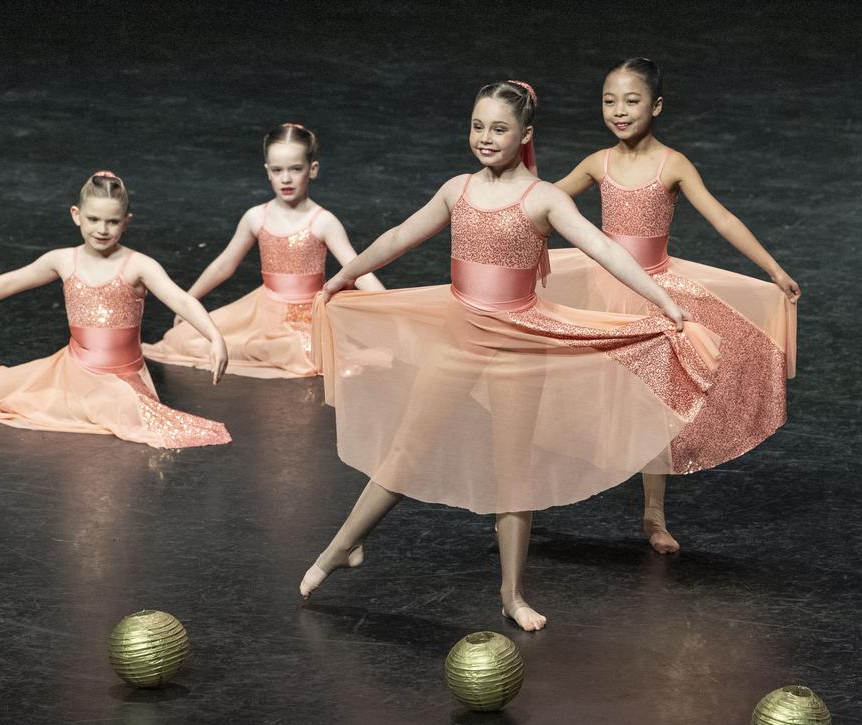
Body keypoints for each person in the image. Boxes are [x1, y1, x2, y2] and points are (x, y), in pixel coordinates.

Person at [300, 81, 721, 631]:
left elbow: (606, 249)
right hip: (457, 338)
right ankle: (341, 548)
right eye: (478, 126)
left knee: (512, 470)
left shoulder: (544, 198)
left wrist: (663, 299)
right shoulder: (458, 190)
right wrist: (342, 277)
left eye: (499, 128)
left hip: (520, 346)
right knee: (408, 448)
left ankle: (512, 593)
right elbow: (399, 235)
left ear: (525, 135)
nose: (485, 137)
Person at [547, 58, 798, 552]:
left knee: (653, 407)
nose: (619, 111)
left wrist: (773, 268)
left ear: (656, 106)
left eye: (632, 100)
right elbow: (544, 199)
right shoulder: (599, 162)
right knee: (572, 394)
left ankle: (654, 515)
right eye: (609, 101)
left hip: (656, 298)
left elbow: (721, 218)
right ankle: (527, 500)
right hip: (605, 295)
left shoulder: (673, 164)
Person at [0, 171, 231, 449]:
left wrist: (214, 336)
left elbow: (180, 299)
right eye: (93, 219)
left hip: (121, 379)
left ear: (126, 222)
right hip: (72, 371)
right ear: (76, 215)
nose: (102, 229)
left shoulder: (139, 266)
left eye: (112, 221)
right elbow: (9, 283)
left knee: (124, 410)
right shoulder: (63, 261)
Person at [143, 123, 383, 378]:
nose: (286, 178)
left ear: (312, 170)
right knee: (184, 337)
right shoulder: (256, 217)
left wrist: (389, 303)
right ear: (268, 171)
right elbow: (224, 265)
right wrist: (188, 303)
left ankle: (278, 347)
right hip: (261, 311)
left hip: (306, 318)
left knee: (302, 350)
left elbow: (356, 268)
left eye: (295, 169)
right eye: (278, 170)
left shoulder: (323, 221)